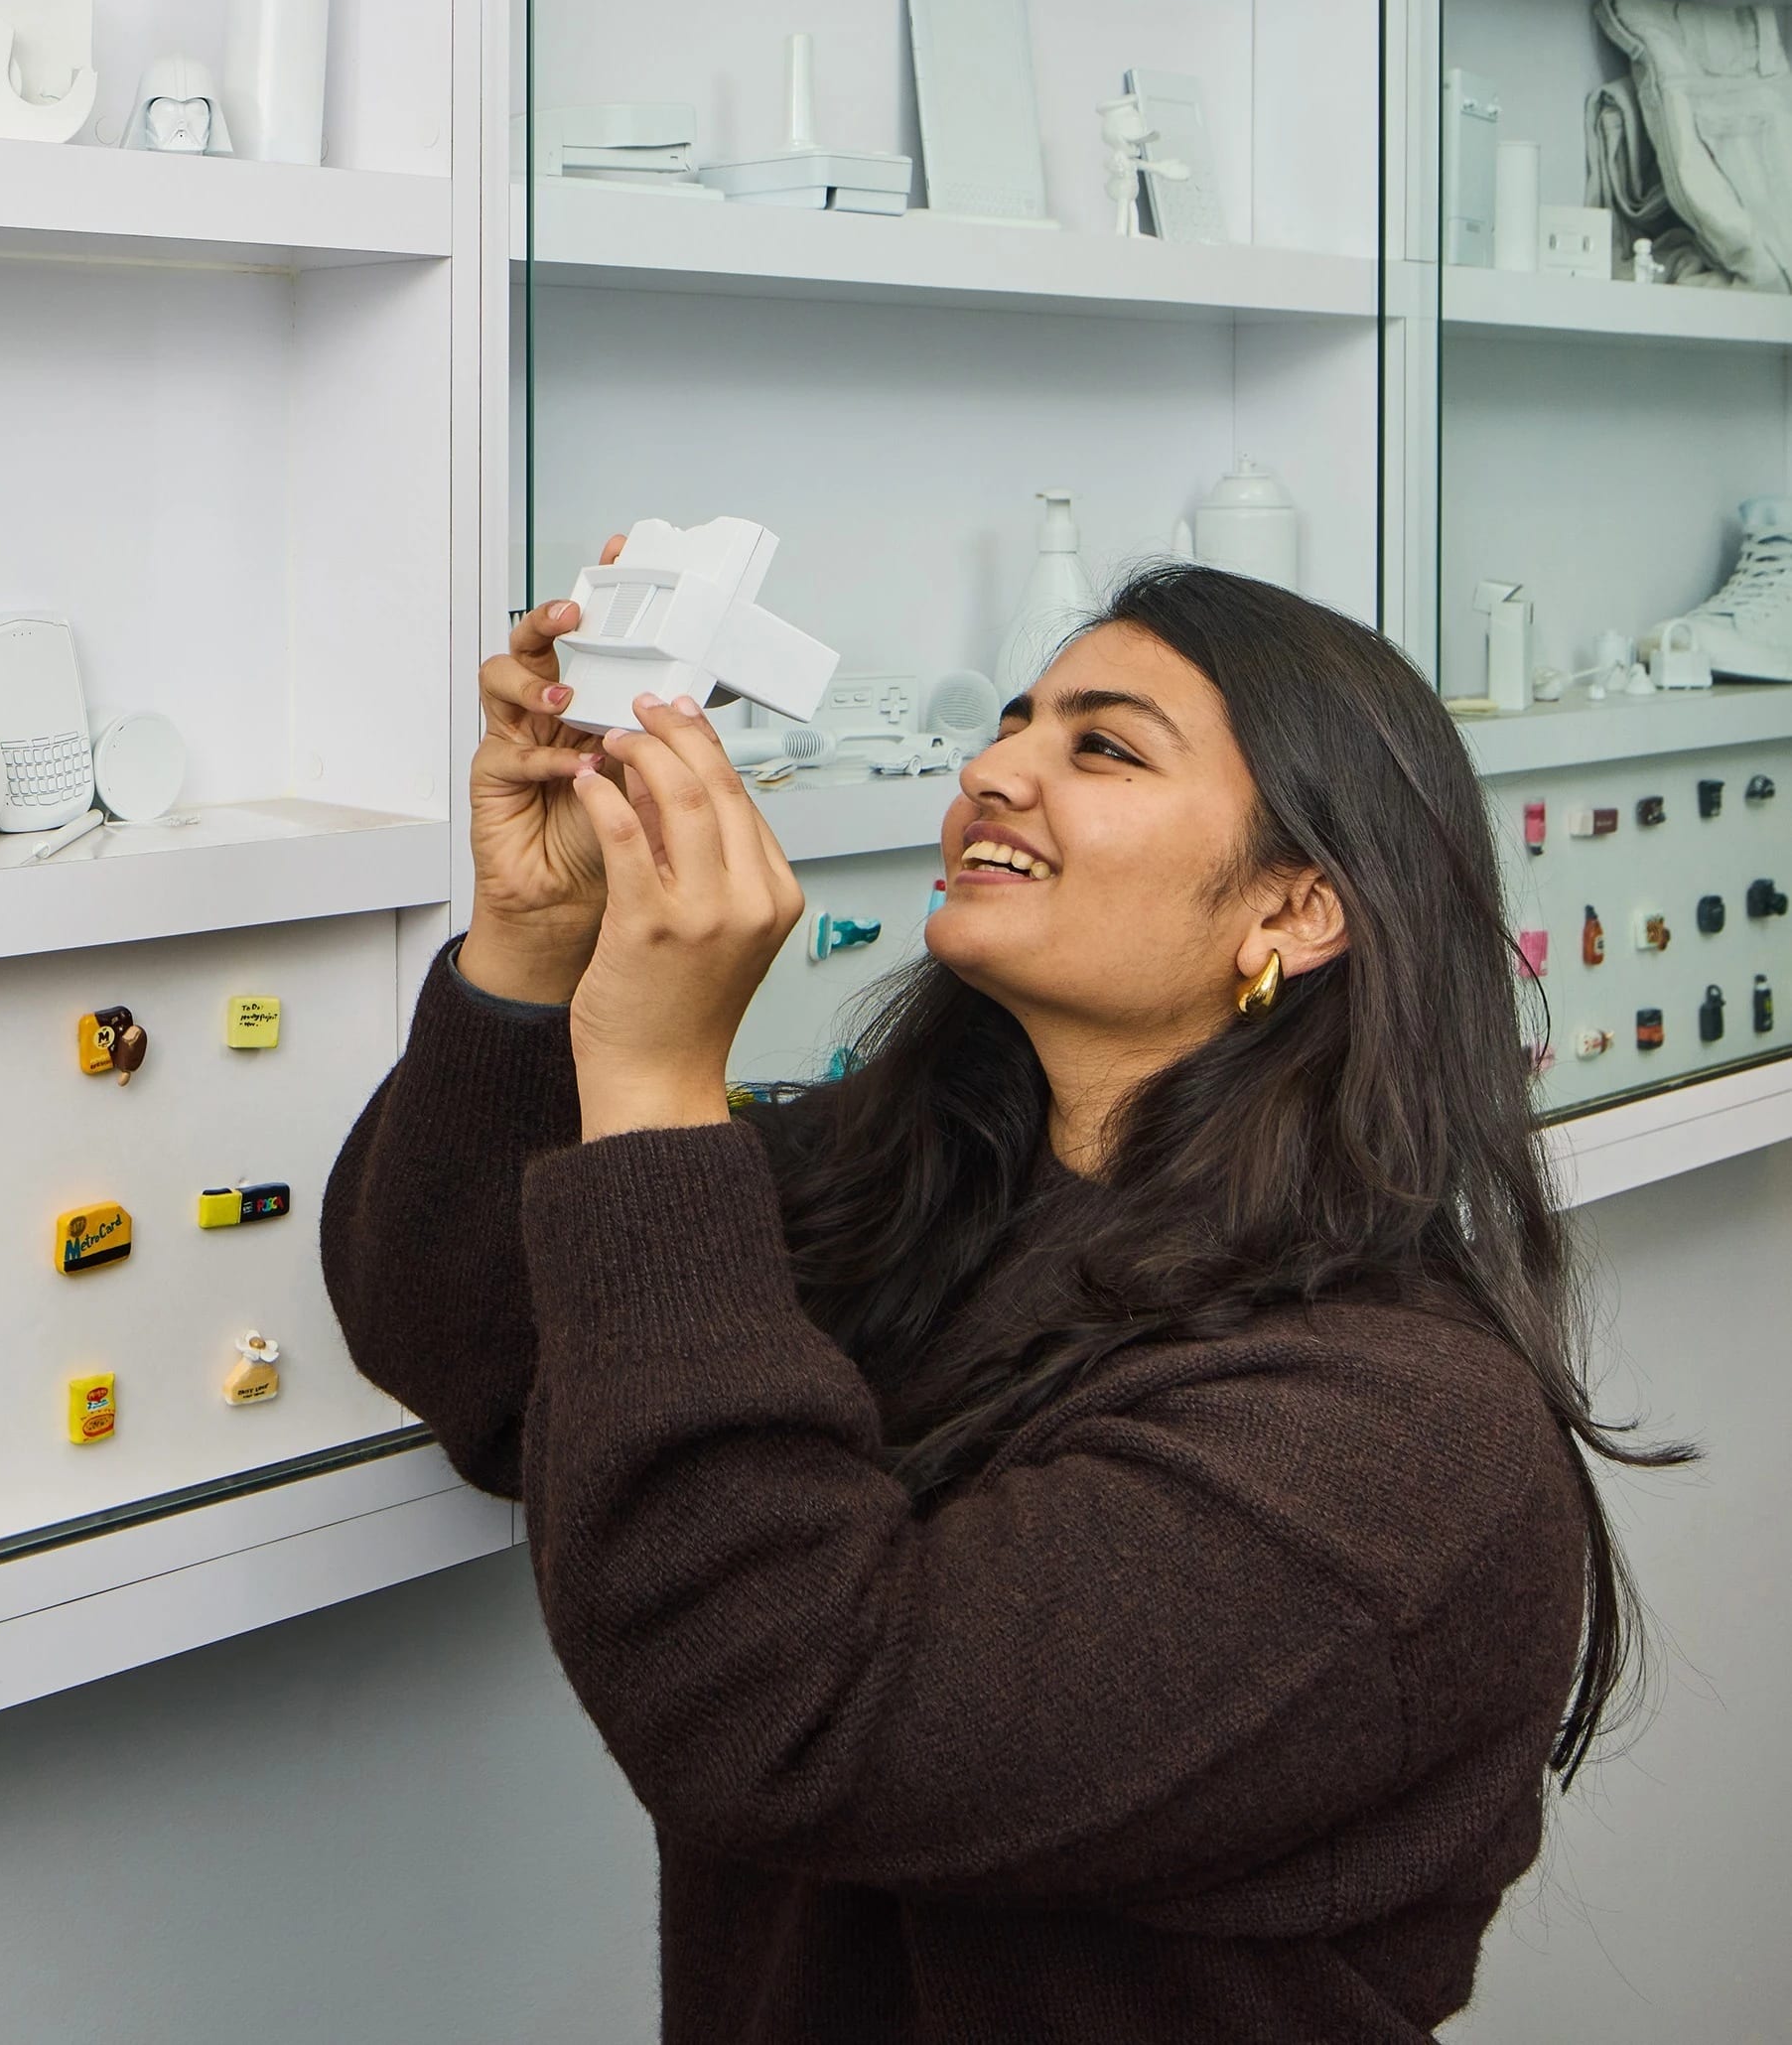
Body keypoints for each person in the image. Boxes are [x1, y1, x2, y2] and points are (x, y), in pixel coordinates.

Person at [322, 554, 1697, 2043]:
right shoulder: (899, 1190)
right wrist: (535, 947)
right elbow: (470, 1345)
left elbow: (801, 1722)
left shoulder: (1392, 1431)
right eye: (1018, 723)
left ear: (1295, 911)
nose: (993, 770)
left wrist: (656, 1086)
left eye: (1099, 745)